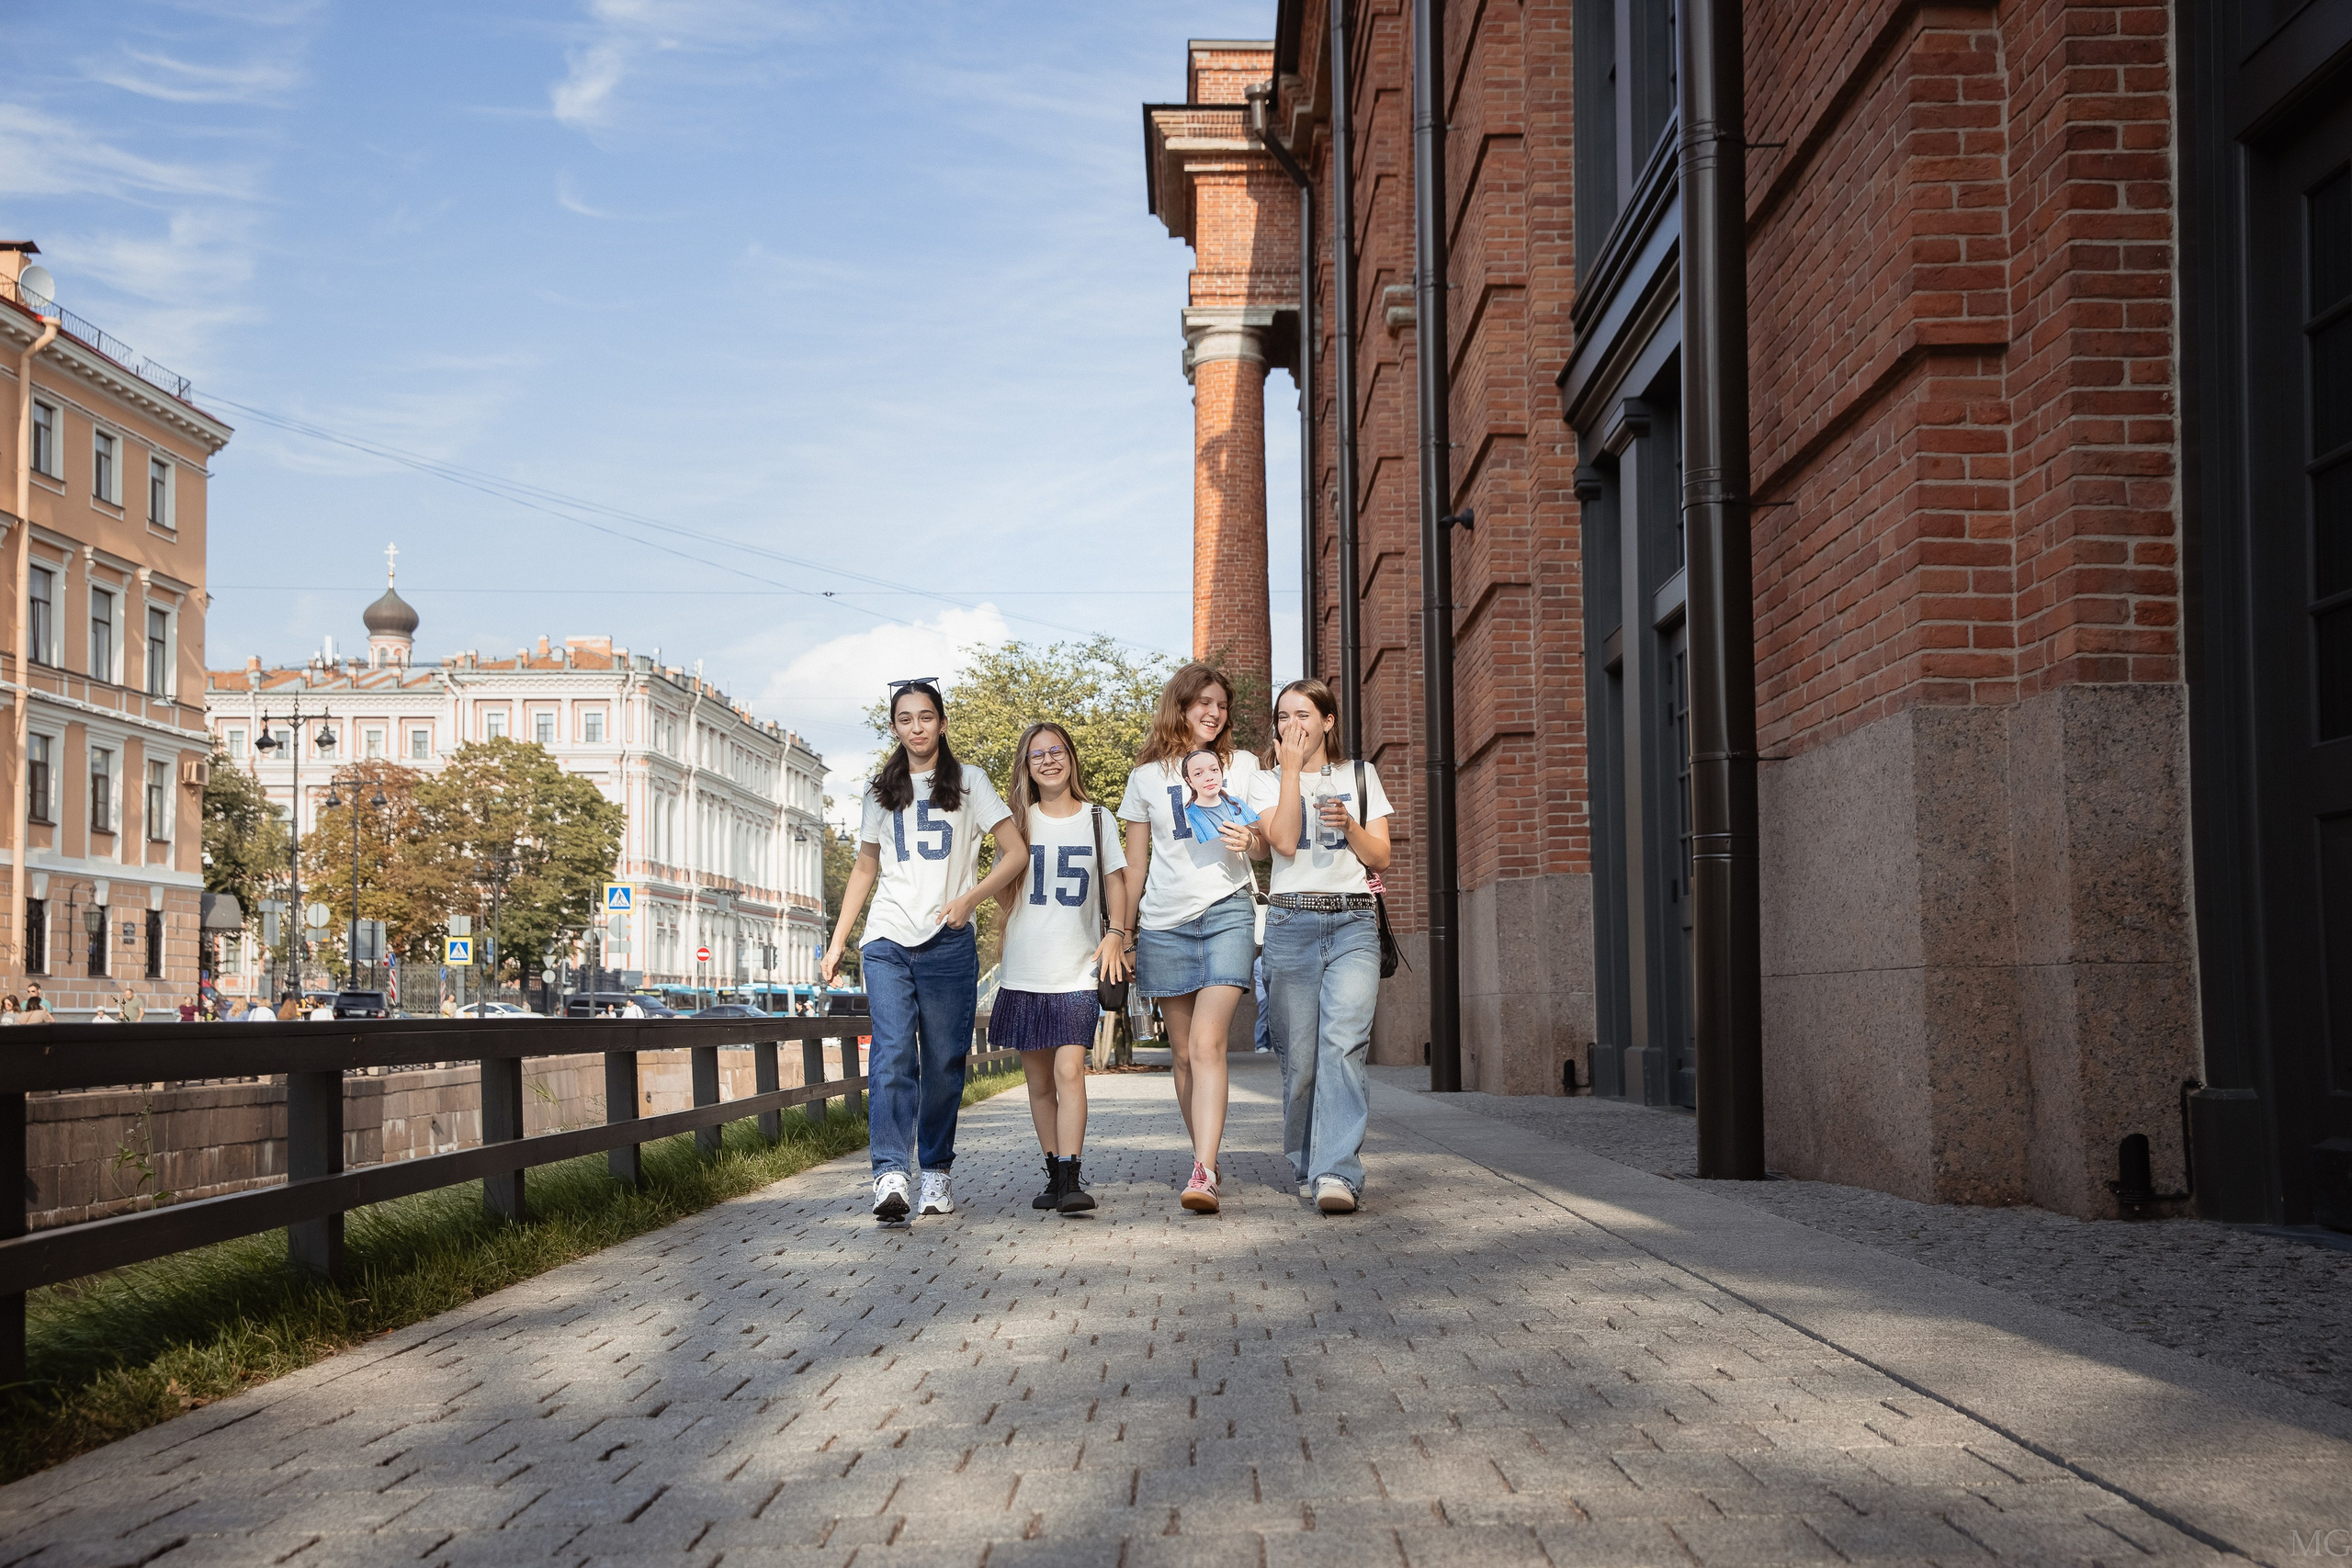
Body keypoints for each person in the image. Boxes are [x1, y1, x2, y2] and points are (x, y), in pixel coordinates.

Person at [823, 679, 1024, 1223]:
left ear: (941, 722)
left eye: (926, 716)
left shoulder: (971, 783)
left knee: (943, 1061)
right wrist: (840, 940)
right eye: (906, 718)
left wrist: (970, 899)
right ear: (895, 727)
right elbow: (866, 866)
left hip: (949, 941)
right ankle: (890, 1174)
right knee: (891, 1054)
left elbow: (1014, 852)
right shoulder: (878, 791)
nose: (917, 727)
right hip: (887, 939)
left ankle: (935, 1168)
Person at [1118, 661, 1263, 1213]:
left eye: (1221, 704)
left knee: (1207, 1044)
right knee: (1182, 1055)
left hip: (1227, 911)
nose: (1214, 712)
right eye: (1203, 702)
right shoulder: (1146, 778)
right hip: (1162, 924)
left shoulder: (1243, 765)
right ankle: (1204, 1153)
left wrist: (1251, 838)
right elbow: (1135, 867)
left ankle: (1202, 1172)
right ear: (1180, 706)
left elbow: (1269, 841)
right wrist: (1123, 934)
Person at [1250, 678, 1393, 1214]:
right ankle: (1307, 1162)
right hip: (1290, 923)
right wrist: (1289, 773)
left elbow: (1380, 858)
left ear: (1327, 721)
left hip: (1353, 921)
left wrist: (1350, 825)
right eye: (1283, 717)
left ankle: (1338, 1172)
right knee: (1302, 1060)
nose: (1293, 726)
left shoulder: (1360, 775)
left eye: (1304, 715)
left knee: (1343, 1045)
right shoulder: (1264, 782)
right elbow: (1281, 843)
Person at [991, 721, 1131, 1215]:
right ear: (1026, 768)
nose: (1049, 760)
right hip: (1025, 968)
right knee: (1039, 1083)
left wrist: (1118, 933)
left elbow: (1117, 882)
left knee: (1071, 1069)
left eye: (1056, 751)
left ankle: (1072, 1175)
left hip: (1078, 967)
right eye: (1037, 755)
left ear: (1070, 757)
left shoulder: (1099, 818)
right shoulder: (1017, 823)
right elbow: (1003, 886)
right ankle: (1052, 1174)